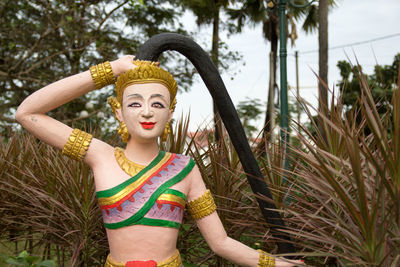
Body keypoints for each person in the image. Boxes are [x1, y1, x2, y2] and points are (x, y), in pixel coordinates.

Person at [15, 55, 304, 267]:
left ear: (170, 113)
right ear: (119, 113)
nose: (146, 113)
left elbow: (220, 243)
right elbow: (28, 113)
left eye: (157, 103)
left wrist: (283, 265)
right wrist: (112, 70)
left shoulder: (184, 169)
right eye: (135, 103)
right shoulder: (100, 157)